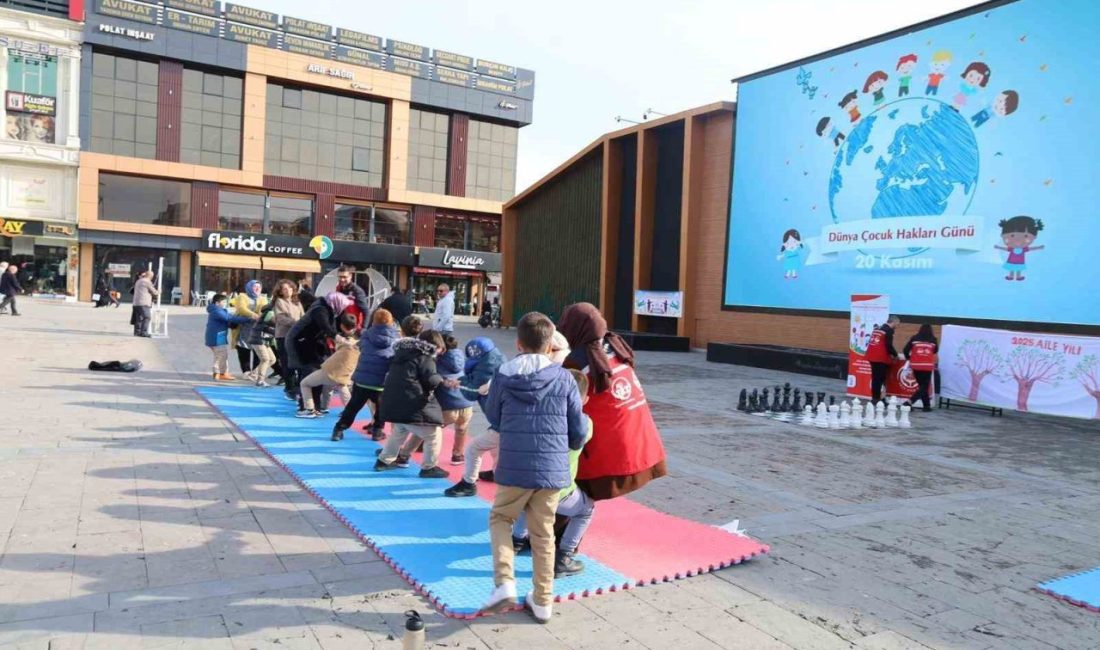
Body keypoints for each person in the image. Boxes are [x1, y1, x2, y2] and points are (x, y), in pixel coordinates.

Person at [479, 312, 587, 624]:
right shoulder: (565, 378)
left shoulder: (503, 374)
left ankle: (504, 582)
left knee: (501, 518)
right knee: (543, 534)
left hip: (515, 465)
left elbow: (495, 419)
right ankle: (542, 601)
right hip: (553, 470)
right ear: (551, 344)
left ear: (518, 343)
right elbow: (577, 431)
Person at [558, 302, 667, 500]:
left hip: (609, 450)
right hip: (641, 442)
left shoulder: (578, 361)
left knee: (571, 491)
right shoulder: (616, 345)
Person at [511, 368, 594, 577]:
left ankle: (517, 539)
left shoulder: (536, 414)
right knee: (586, 509)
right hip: (556, 489)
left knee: (527, 502)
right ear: (584, 399)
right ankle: (564, 556)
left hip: (523, 482)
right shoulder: (585, 423)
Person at [374, 329, 456, 478]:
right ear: (434, 345)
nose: (439, 353)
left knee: (400, 428)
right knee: (433, 434)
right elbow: (430, 380)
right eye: (440, 349)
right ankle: (428, 467)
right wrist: (443, 381)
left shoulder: (402, 353)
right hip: (411, 401)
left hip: (393, 400)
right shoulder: (425, 357)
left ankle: (384, 460)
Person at [442, 336, 506, 497]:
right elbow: (476, 381)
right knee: (496, 448)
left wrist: (459, 384)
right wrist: (461, 380)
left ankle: (468, 483)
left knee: (473, 449)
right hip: (503, 418)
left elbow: (472, 393)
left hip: (501, 421)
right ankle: (498, 473)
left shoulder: (483, 369)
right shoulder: (498, 359)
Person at [332, 308, 400, 442]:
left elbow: (360, 346)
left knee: (353, 407)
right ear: (391, 321)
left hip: (363, 379)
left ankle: (339, 429)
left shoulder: (367, 335)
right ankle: (377, 431)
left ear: (374, 320)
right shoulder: (395, 339)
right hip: (381, 381)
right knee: (382, 409)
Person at [289, 291, 351, 417]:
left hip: (312, 343)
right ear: (336, 303)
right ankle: (305, 407)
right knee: (309, 373)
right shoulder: (320, 310)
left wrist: (341, 338)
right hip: (301, 342)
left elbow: (332, 329)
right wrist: (341, 340)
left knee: (316, 373)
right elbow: (326, 328)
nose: (342, 309)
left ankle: (315, 407)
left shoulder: (329, 309)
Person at [298, 313, 360, 417]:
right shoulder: (358, 343)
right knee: (341, 386)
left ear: (341, 326)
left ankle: (310, 409)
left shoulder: (341, 340)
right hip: (346, 372)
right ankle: (347, 411)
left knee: (305, 384)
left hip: (330, 370)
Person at [435, 335, 475, 465]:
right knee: (462, 428)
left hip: (448, 403)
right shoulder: (461, 358)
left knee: (434, 429)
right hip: (465, 400)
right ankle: (457, 455)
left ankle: (430, 454)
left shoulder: (438, 360)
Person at [205, 294, 256, 381]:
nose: (225, 303)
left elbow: (227, 320)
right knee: (221, 356)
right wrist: (249, 318)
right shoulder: (217, 311)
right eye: (224, 302)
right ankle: (218, 373)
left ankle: (223, 373)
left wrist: (233, 324)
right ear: (217, 303)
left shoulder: (218, 310)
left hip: (217, 336)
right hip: (217, 337)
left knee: (221, 355)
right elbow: (229, 318)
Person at [271, 280, 304, 400]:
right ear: (280, 291)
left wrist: (303, 325)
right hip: (283, 335)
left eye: (290, 288)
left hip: (296, 335)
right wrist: (296, 323)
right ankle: (290, 388)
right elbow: (281, 318)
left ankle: (298, 387)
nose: (288, 291)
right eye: (285, 289)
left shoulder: (297, 302)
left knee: (298, 363)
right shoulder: (279, 302)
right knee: (287, 363)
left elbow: (302, 316)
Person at [228, 280, 267, 379]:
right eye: (255, 286)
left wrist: (260, 316)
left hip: (257, 329)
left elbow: (265, 309)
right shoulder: (242, 296)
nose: (257, 288)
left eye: (259, 287)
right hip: (243, 327)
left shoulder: (263, 298)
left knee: (257, 351)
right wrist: (253, 315)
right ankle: (246, 371)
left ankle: (255, 371)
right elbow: (241, 308)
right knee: (243, 349)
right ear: (249, 287)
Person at [866, 315, 904, 404]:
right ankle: (877, 399)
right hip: (880, 358)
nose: (897, 326)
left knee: (875, 378)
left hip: (871, 356)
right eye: (897, 324)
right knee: (880, 379)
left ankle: (876, 398)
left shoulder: (878, 329)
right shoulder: (889, 331)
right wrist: (896, 355)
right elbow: (889, 346)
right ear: (894, 322)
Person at [904, 324, 938, 412]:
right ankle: (909, 401)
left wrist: (909, 358)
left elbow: (905, 350)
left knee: (922, 386)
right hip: (927, 366)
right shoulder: (933, 339)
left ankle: (926, 406)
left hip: (915, 365)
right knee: (924, 386)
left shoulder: (914, 338)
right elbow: (935, 350)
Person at [245, 302, 278, 388]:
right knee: (265, 359)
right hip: (258, 340)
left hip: (264, 341)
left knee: (272, 359)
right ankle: (260, 381)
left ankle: (254, 374)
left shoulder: (269, 314)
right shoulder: (270, 313)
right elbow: (273, 324)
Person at [131, 271, 158, 336]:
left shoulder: (138, 281)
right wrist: (159, 291)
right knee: (147, 317)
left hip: (136, 303)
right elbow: (154, 292)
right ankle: (144, 332)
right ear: (151, 276)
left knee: (139, 318)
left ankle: (137, 332)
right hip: (143, 303)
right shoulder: (147, 282)